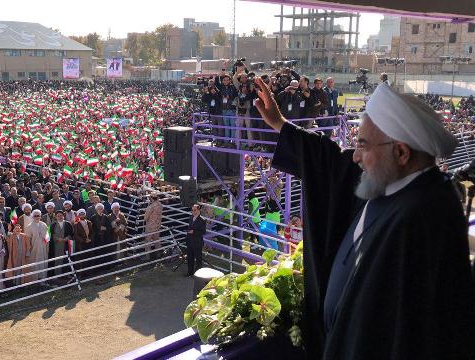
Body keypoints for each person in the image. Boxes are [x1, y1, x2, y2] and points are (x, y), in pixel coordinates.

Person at [252, 78, 474, 359]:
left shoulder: (421, 220)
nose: (355, 156)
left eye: (363, 145)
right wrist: (281, 124)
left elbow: (405, 337)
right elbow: (333, 161)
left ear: (401, 152)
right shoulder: (393, 179)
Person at [26, 209, 49, 282]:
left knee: (43, 263)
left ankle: (43, 279)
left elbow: (47, 237)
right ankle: (35, 281)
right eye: (35, 216)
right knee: (34, 264)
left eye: (38, 216)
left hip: (43, 248)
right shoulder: (29, 226)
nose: (37, 217)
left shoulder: (44, 225)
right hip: (34, 249)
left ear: (40, 216)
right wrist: (29, 250)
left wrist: (46, 246)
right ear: (32, 216)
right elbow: (28, 240)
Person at [50, 210, 74, 276]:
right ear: (56, 217)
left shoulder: (68, 224)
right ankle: (58, 275)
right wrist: (58, 239)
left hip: (67, 245)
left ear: (63, 216)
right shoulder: (53, 225)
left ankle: (68, 274)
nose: (60, 217)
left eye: (61, 215)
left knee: (67, 259)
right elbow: (51, 235)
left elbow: (71, 233)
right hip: (57, 245)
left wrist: (67, 238)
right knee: (58, 260)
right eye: (58, 216)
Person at [185, 204, 206, 277]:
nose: (193, 212)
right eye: (192, 210)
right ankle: (190, 272)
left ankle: (198, 274)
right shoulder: (191, 218)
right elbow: (189, 227)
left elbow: (203, 232)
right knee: (190, 258)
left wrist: (193, 232)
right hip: (190, 241)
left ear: (198, 210)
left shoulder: (202, 220)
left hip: (197, 242)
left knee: (198, 259)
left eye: (194, 210)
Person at [143, 193, 163, 260]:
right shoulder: (160, 205)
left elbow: (145, 217)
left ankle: (147, 257)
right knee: (157, 240)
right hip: (157, 225)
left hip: (150, 226)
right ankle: (159, 254)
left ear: (151, 198)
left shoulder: (150, 207)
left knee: (148, 241)